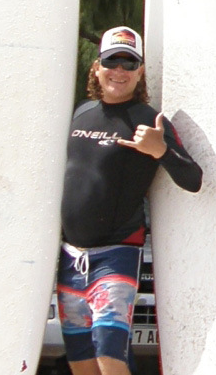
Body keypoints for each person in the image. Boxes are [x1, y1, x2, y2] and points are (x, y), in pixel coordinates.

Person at [60, 26, 203, 375]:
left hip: (117, 252)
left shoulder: (149, 120)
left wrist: (161, 150)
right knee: (81, 362)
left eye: (129, 64)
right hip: (71, 255)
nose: (119, 72)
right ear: (97, 67)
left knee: (110, 355)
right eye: (112, 62)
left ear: (140, 72)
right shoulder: (78, 113)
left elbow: (194, 179)